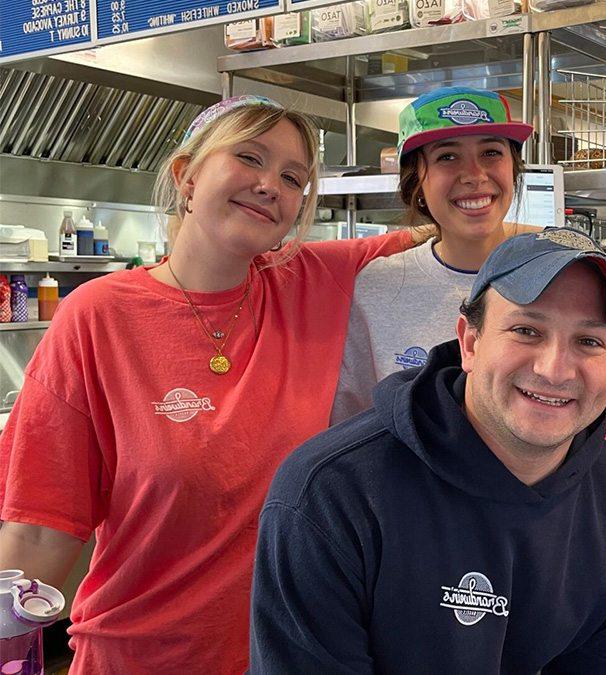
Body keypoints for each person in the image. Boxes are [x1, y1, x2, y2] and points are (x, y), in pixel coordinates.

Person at [0, 96, 426, 674]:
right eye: (249, 157)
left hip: (284, 656)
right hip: (138, 656)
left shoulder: (307, 281)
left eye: (292, 177)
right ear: (187, 176)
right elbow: (41, 528)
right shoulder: (98, 317)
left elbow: (449, 234)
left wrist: (559, 242)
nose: (270, 184)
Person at [250, 228, 606, 673]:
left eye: (589, 342)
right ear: (469, 342)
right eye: (526, 330)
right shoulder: (330, 494)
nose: (555, 370)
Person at [330, 86, 534, 423]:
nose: (474, 175)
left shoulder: (566, 277)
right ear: (417, 184)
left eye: (491, 153)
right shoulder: (377, 288)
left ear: (514, 169)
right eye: (447, 157)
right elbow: (354, 425)